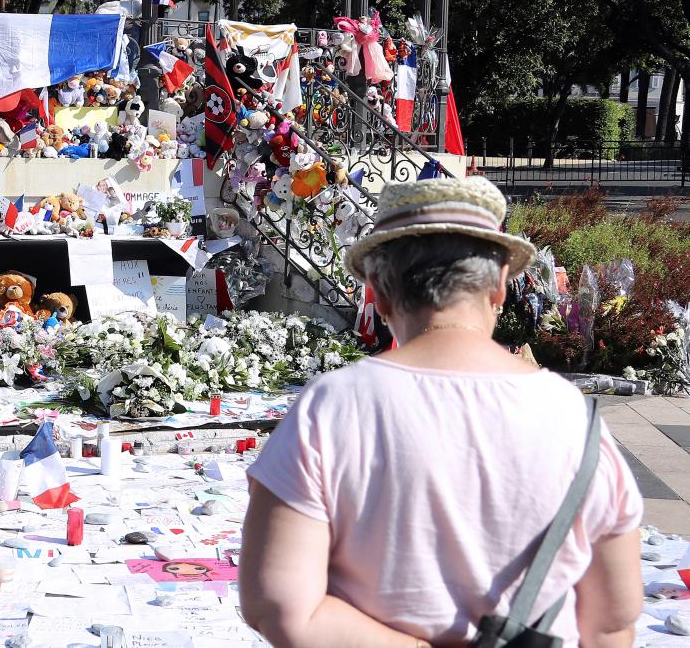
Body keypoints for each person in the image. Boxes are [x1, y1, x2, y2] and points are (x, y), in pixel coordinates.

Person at [239, 176, 642, 648]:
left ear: (380, 295)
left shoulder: (330, 408)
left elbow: (281, 606)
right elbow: (612, 621)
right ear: (498, 289)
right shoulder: (578, 420)